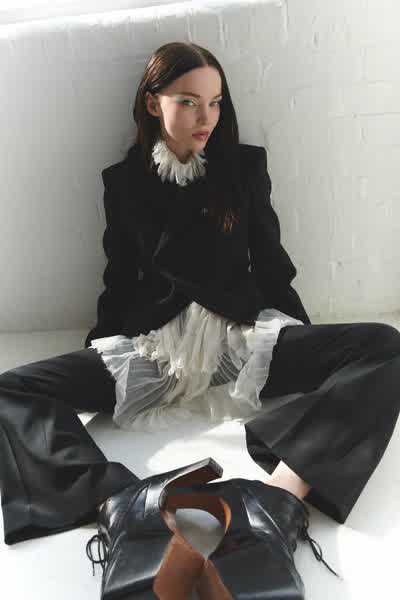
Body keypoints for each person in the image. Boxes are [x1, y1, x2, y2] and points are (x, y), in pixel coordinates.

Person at [1, 41, 399, 600]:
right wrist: (101, 350)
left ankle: (276, 500)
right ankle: (122, 507)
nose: (206, 117)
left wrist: (299, 337)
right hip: (154, 350)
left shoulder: (243, 167)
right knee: (10, 389)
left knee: (384, 344)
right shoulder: (124, 182)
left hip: (241, 343)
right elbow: (119, 277)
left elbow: (272, 263)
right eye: (188, 101)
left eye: (215, 102)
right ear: (152, 103)